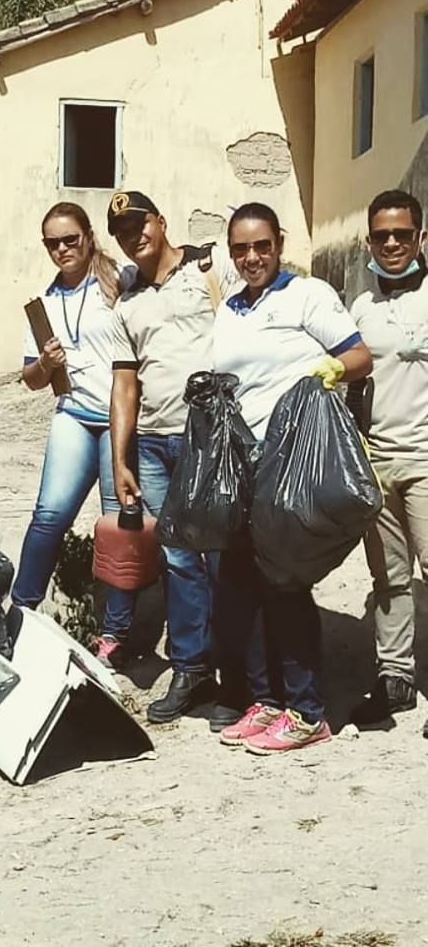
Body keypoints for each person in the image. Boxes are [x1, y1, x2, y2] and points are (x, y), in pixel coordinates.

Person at [211, 202, 372, 754]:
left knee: (285, 583)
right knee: (245, 586)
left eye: (261, 245)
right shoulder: (230, 307)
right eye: (240, 248)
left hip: (289, 460)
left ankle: (308, 710)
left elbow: (358, 355)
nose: (251, 257)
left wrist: (329, 369)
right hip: (241, 460)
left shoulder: (307, 295)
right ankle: (266, 702)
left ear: (279, 243)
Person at [109, 190, 239, 723]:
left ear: (161, 223)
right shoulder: (127, 303)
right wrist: (121, 460)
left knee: (224, 557)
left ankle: (237, 676)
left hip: (207, 436)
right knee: (180, 560)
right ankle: (192, 670)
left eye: (140, 224)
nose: (134, 235)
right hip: (156, 444)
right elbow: (123, 386)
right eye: (121, 231)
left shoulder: (210, 268)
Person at [11, 202, 134, 666]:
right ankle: (22, 611)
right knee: (49, 516)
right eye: (52, 243)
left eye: (70, 239)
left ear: (88, 236)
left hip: (120, 417)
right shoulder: (42, 302)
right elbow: (30, 377)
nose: (62, 249)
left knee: (115, 524)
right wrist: (46, 364)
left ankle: (114, 634)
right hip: (75, 414)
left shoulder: (120, 283)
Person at [347, 190, 428, 730]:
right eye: (382, 235)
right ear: (369, 241)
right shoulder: (360, 306)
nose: (392, 243)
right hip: (377, 460)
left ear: (420, 237)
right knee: (389, 576)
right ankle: (394, 676)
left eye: (402, 233)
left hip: (426, 458)